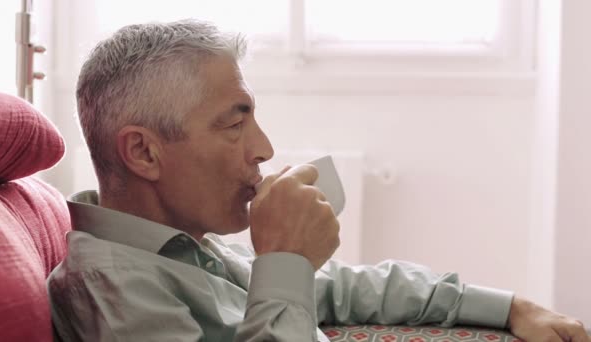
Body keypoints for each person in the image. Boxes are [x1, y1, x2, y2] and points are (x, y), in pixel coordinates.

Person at [47, 19, 589, 342]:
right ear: (143, 151)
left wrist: (513, 307)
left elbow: (342, 289)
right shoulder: (112, 283)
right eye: (235, 124)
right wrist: (285, 264)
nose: (263, 149)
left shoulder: (183, 249)